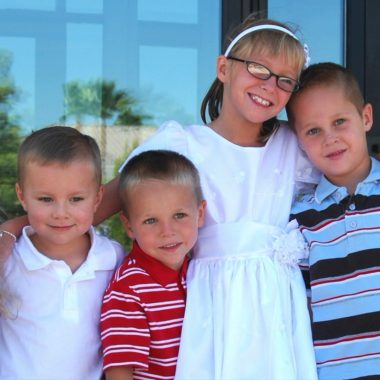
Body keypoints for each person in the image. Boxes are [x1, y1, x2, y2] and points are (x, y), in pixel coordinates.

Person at [0, 15, 319, 379]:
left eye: (285, 80)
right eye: (259, 68)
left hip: (277, 308)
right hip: (209, 305)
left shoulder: (294, 147)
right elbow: (89, 208)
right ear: (223, 68)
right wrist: (12, 227)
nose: (269, 86)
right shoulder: (182, 144)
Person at [0, 126, 125, 380]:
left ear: (98, 197)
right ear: (22, 197)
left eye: (76, 199)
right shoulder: (8, 259)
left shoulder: (113, 259)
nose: (61, 212)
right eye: (46, 199)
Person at [287, 62, 380, 379]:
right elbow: (299, 305)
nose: (330, 138)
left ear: (365, 118)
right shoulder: (299, 219)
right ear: (299, 141)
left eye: (340, 121)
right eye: (313, 130)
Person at [100, 150, 206, 380]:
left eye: (179, 215)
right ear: (129, 226)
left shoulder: (203, 271)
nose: (167, 232)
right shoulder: (129, 288)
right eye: (150, 220)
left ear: (200, 214)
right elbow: (120, 371)